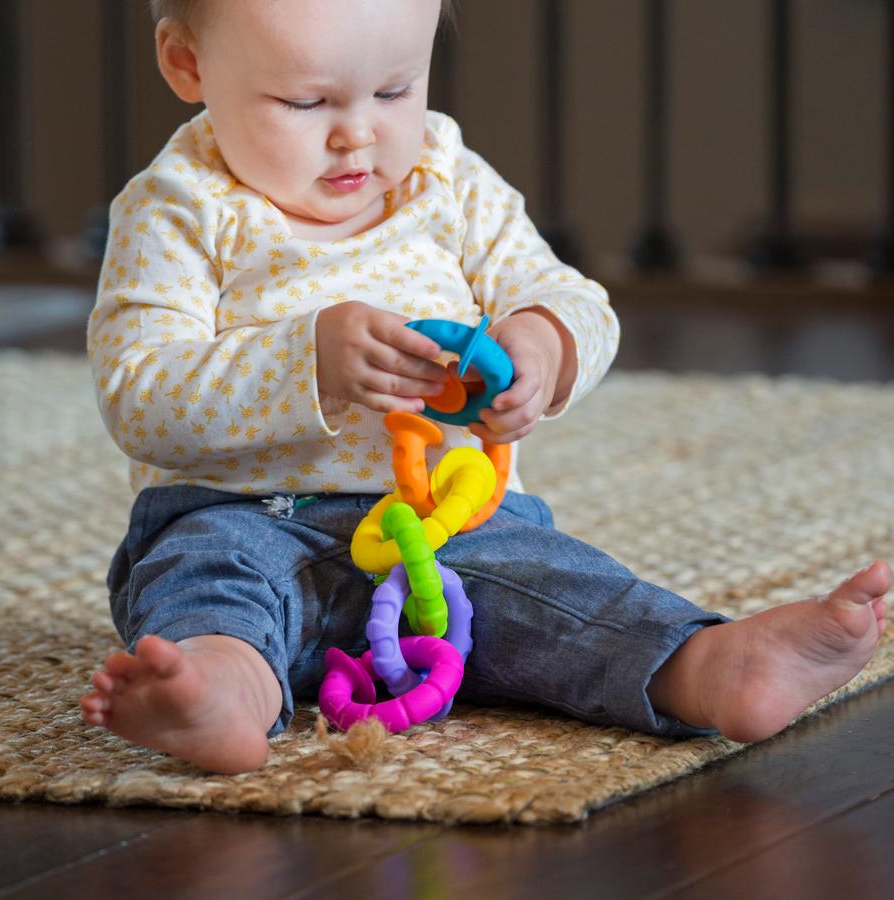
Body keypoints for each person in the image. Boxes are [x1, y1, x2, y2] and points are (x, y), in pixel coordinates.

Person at [81, 0, 889, 775]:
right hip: (242, 518)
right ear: (187, 63)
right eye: (305, 101)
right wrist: (310, 360)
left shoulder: (447, 179)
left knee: (562, 590)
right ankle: (221, 692)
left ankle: (707, 665)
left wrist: (542, 343)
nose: (357, 133)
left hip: (451, 525)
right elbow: (138, 394)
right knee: (205, 585)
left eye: (395, 89)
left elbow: (575, 300)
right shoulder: (176, 208)